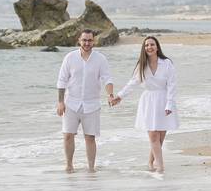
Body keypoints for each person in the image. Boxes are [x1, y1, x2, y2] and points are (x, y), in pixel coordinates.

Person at [111, 36, 178, 173]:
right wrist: (119, 96)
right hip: (148, 101)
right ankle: (160, 167)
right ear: (144, 48)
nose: (149, 47)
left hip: (164, 99)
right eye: (146, 45)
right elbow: (132, 83)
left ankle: (150, 162)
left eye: (152, 44)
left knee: (160, 137)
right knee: (153, 135)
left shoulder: (166, 63)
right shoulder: (142, 65)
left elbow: (172, 85)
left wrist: (169, 104)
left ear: (157, 47)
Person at [56, 29, 115, 173]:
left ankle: (91, 168)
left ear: (94, 41)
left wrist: (110, 94)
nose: (87, 43)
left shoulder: (100, 59)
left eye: (90, 40)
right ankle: (69, 165)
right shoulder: (70, 57)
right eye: (84, 40)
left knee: (90, 138)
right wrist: (60, 102)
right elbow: (62, 80)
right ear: (79, 40)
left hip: (92, 104)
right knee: (68, 135)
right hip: (71, 103)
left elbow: (107, 78)